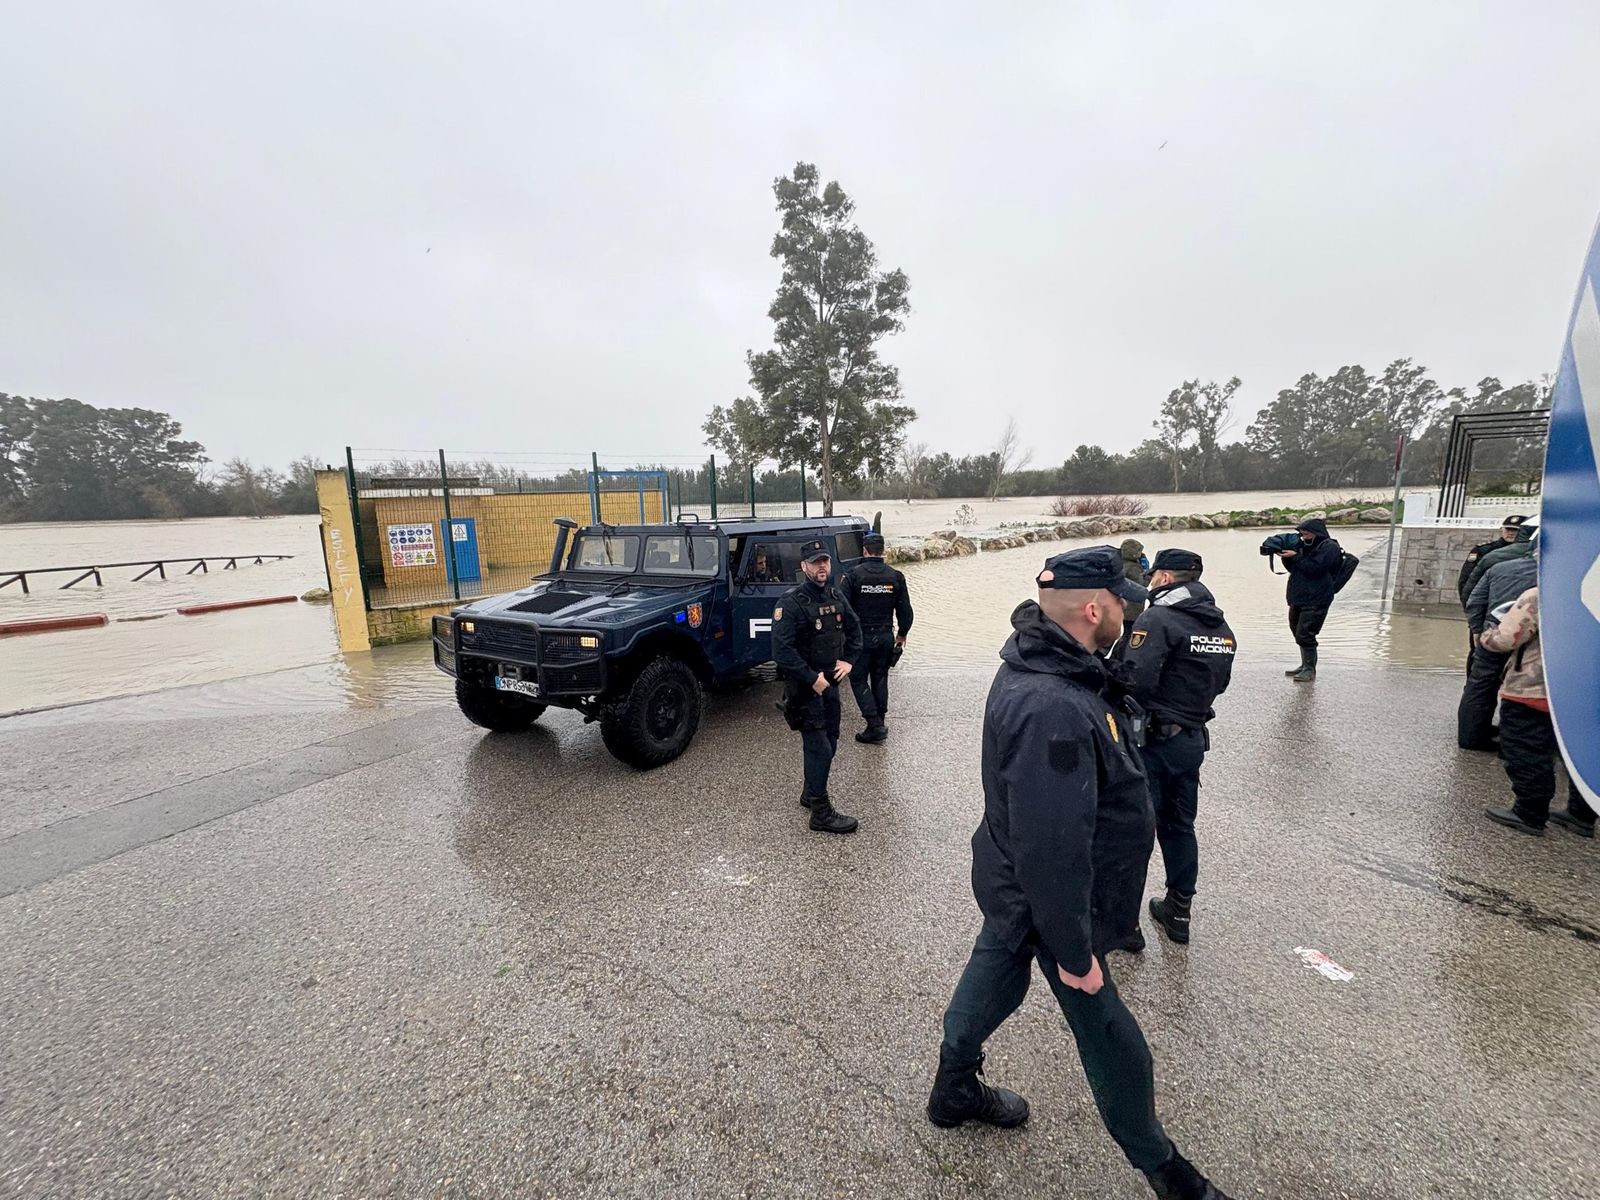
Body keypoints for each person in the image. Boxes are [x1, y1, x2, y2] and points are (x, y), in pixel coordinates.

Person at [925, 546, 1234, 1200]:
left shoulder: (1055, 664)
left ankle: (953, 1087)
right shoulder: (1053, 707)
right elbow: (1051, 843)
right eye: (1122, 600)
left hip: (1021, 887)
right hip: (1056, 900)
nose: (1131, 607)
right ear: (1094, 608)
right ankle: (1171, 1175)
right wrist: (1074, 952)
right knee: (1114, 1040)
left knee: (996, 978)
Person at [1120, 549, 1236, 945]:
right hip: (1190, 740)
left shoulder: (1159, 619)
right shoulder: (1221, 627)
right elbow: (1221, 685)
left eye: (1153, 577)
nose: (1150, 582)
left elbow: (1134, 680)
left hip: (1150, 739)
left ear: (1166, 578)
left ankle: (1126, 925)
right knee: (1179, 826)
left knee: (1134, 829)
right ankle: (1179, 912)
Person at [1480, 586, 1598, 838]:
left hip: (1534, 688)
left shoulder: (1543, 592)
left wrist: (1486, 635)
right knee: (1579, 754)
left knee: (1527, 750)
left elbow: (1507, 638)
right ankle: (1582, 814)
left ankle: (1530, 813)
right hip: (1584, 691)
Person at [771, 540, 863, 834]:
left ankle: (810, 792)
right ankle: (821, 812)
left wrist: (848, 660)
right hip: (804, 687)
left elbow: (855, 628)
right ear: (804, 567)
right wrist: (812, 678)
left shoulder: (836, 595)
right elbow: (782, 651)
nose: (821, 566)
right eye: (815, 562)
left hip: (831, 683)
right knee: (819, 747)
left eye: (824, 561)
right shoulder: (791, 602)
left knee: (832, 740)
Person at [1456, 540, 1539, 751]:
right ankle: (1512, 746)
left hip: (1493, 635)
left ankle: (1470, 738)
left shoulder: (1499, 567)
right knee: (1525, 691)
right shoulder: (1558, 575)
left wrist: (1477, 629)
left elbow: (1474, 599)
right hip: (1535, 644)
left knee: (1480, 685)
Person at [841, 532, 913, 744]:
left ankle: (874, 724)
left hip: (861, 637)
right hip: (884, 636)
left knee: (857, 678)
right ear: (883, 551)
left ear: (864, 551)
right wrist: (902, 634)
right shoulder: (895, 576)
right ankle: (879, 720)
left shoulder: (853, 575)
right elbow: (906, 611)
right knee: (880, 677)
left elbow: (842, 607)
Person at [1276, 517, 1342, 682]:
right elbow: (1293, 568)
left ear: (1316, 531)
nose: (1302, 535)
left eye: (1305, 532)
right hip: (1298, 597)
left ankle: (1309, 669)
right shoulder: (1302, 546)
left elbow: (1315, 568)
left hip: (1317, 598)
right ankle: (1304, 664)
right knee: (1297, 631)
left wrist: (1296, 556)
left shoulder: (1329, 547)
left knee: (1306, 633)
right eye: (1300, 533)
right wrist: (1286, 556)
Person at [1456, 515, 1530, 607]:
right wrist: (1468, 604)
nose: (1510, 533)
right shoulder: (1483, 550)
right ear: (1501, 530)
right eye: (1508, 529)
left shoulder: (1530, 552)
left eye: (1515, 530)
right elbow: (1466, 579)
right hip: (1488, 601)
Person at [1109, 538, 1148, 661]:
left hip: (1123, 608)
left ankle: (1116, 656)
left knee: (1125, 633)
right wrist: (1148, 573)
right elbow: (1142, 584)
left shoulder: (1120, 565)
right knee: (1130, 635)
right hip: (1134, 609)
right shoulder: (1134, 568)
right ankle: (1123, 657)